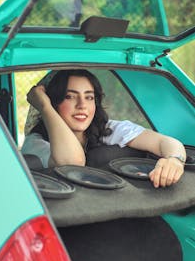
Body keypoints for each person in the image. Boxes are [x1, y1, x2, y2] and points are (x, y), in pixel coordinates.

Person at [21, 69, 186, 188]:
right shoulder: (36, 142)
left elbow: (165, 142)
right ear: (54, 102)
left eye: (89, 97)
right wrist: (44, 106)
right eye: (69, 97)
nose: (82, 105)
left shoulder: (108, 128)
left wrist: (174, 160)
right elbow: (72, 164)